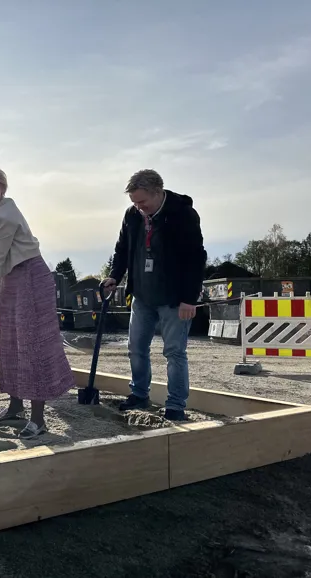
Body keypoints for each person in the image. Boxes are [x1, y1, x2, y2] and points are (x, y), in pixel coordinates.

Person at [0, 166, 76, 439]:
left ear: (2, 186)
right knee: (10, 342)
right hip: (13, 278)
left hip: (29, 277)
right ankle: (16, 406)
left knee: (32, 344)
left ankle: (38, 419)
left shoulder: (3, 215)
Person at [103, 169, 206, 421]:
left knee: (174, 352)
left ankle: (175, 405)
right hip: (142, 296)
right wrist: (115, 276)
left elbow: (196, 258)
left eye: (142, 202)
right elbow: (122, 249)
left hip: (174, 299)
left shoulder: (183, 214)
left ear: (158, 192)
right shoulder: (132, 216)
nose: (139, 207)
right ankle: (139, 394)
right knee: (136, 348)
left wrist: (190, 298)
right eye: (134, 203)